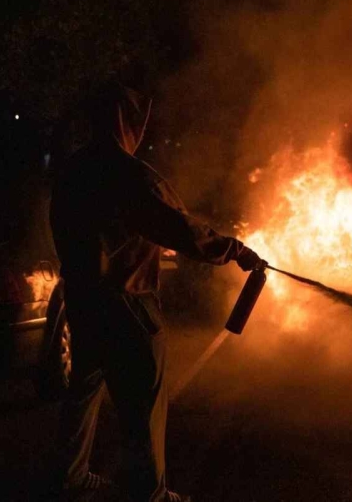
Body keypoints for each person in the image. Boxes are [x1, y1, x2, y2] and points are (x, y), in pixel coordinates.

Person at [49, 80, 264, 502]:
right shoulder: (131, 176)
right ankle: (151, 494)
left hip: (84, 301)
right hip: (127, 306)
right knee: (143, 408)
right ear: (126, 123)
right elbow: (181, 229)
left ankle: (70, 477)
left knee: (83, 393)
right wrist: (235, 250)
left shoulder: (72, 171)